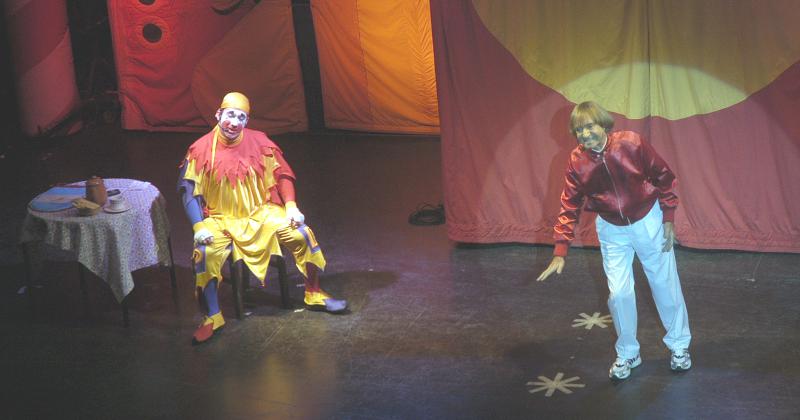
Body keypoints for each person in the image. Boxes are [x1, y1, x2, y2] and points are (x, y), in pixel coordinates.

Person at [536, 101, 691, 380]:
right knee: (619, 294)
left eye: (590, 126)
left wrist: (668, 217)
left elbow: (664, 177)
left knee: (664, 284)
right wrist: (560, 250)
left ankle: (679, 346)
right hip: (611, 229)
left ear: (604, 124)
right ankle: (628, 352)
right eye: (579, 130)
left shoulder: (631, 143)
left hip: (647, 221)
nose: (585, 134)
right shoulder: (576, 162)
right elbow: (569, 205)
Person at [178, 92, 347, 344]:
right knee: (204, 252)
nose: (234, 122)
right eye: (230, 115)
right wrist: (199, 225)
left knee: (302, 234)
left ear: (247, 121)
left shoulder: (260, 141)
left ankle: (314, 293)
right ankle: (212, 316)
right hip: (220, 218)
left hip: (262, 212)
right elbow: (187, 191)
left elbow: (283, 174)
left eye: (241, 117)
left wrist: (290, 206)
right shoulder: (200, 149)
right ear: (218, 115)